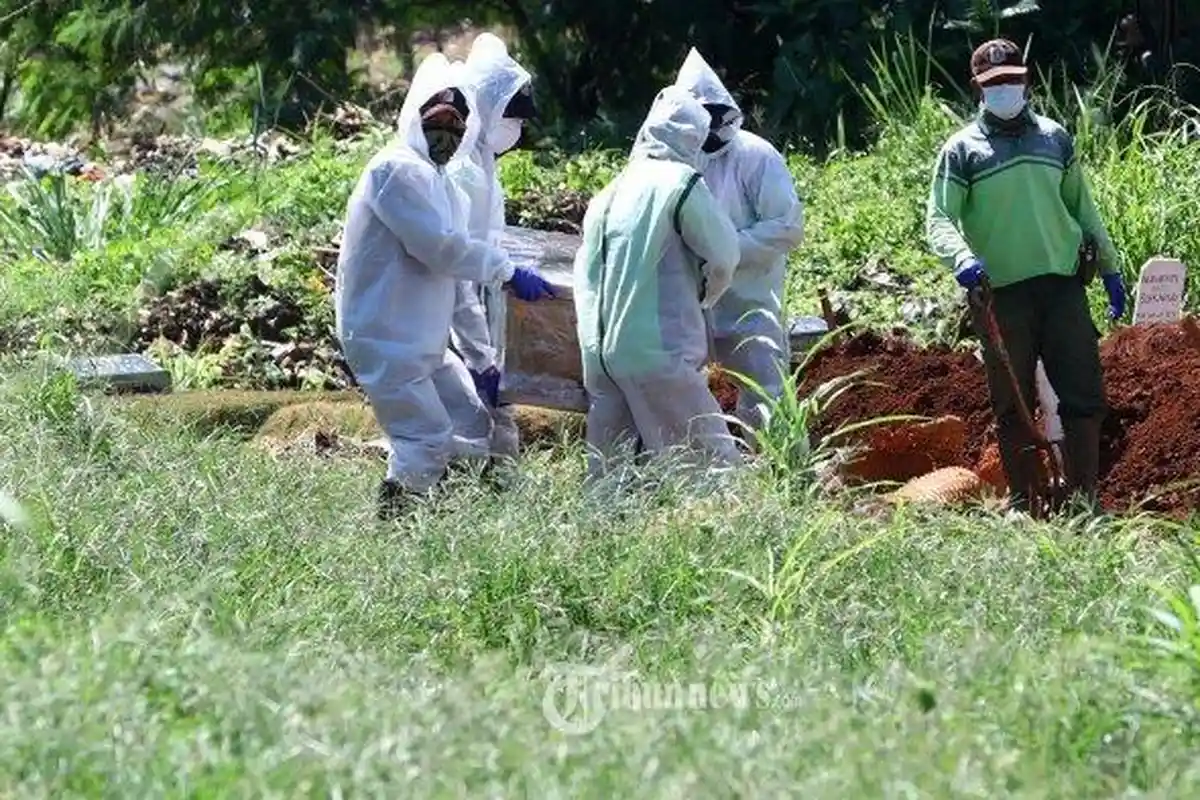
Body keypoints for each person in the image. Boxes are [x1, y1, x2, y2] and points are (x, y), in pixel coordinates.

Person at [334, 52, 555, 521]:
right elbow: (440, 249)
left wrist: (481, 359)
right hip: (386, 337)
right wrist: (507, 270)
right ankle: (397, 527)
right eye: (437, 123)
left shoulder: (444, 186)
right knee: (426, 437)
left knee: (475, 422)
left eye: (457, 128)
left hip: (424, 342)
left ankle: (451, 511)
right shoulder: (394, 171)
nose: (447, 138)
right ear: (414, 118)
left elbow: (456, 284)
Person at [925, 39, 1126, 512]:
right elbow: (939, 217)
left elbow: (1083, 207)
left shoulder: (1055, 138)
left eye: (1012, 80)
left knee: (1084, 395)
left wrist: (1113, 267)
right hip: (1000, 295)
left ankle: (1084, 504)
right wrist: (961, 258)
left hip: (1061, 287)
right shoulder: (961, 151)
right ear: (978, 87)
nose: (1005, 89)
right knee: (1013, 405)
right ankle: (1025, 502)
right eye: (994, 84)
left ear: (1026, 78)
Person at [573, 84, 743, 481]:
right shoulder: (679, 182)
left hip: (601, 358)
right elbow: (723, 254)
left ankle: (600, 538)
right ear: (695, 138)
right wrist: (706, 294)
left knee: (611, 476)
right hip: (657, 353)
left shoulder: (608, 194)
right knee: (708, 467)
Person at [673, 48, 805, 443]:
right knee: (680, 390)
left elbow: (786, 227)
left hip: (750, 299)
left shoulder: (755, 155)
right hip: (689, 298)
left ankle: (781, 470)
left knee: (766, 390)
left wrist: (725, 251)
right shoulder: (675, 158)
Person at [446, 33, 544, 471]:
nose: (517, 131)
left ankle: (491, 497)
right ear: (489, 109)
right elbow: (458, 264)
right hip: (451, 315)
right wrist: (477, 353)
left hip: (476, 311)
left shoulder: (483, 163)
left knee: (489, 422)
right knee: (468, 422)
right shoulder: (462, 170)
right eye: (513, 119)